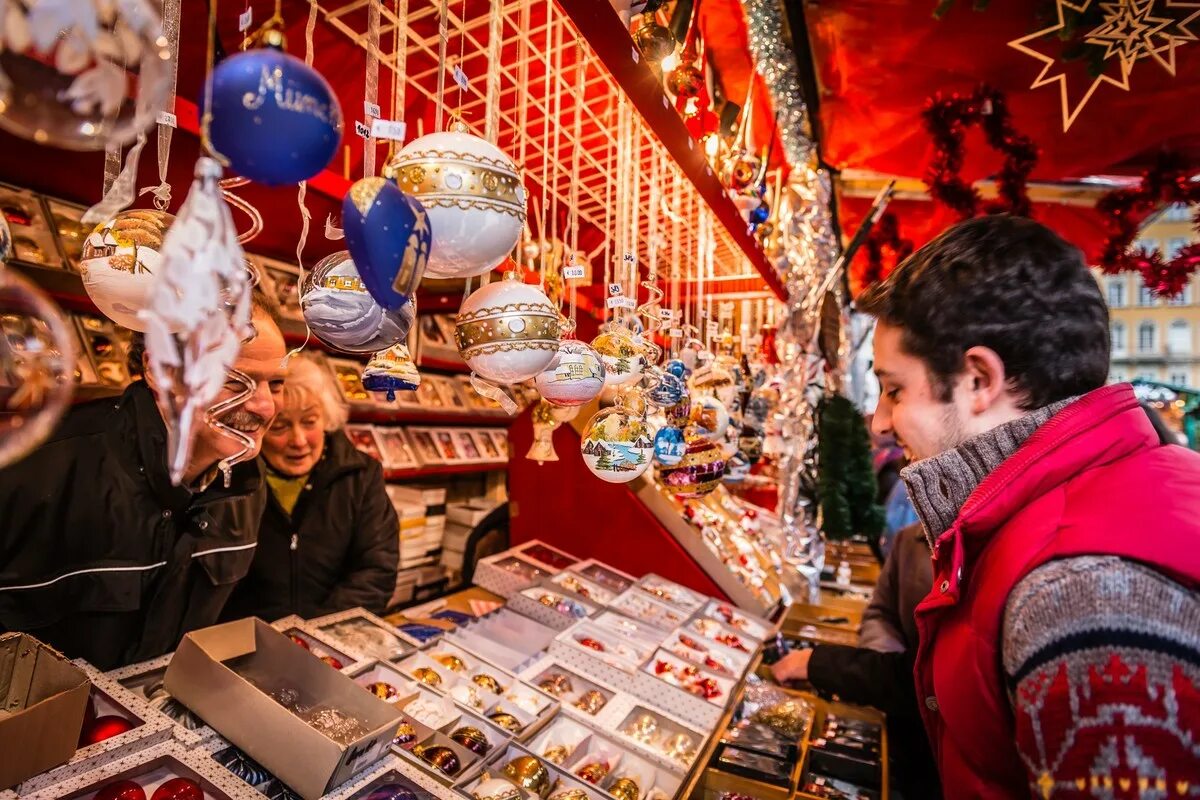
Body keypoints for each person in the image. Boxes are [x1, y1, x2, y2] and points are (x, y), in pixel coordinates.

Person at [857, 214, 1200, 797]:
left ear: (978, 379)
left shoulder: (1079, 597)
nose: (880, 422)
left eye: (894, 389)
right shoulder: (1076, 507)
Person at [0, 291, 287, 670]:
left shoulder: (245, 483)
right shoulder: (36, 467)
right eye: (235, 381)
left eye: (277, 384)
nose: (265, 406)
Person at [222, 355, 398, 621]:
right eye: (280, 426)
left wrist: (314, 634)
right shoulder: (227, 480)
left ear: (326, 419)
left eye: (309, 421)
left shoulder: (361, 476)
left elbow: (376, 571)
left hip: (333, 639)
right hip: (248, 644)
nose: (299, 440)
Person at [771, 524, 939, 798]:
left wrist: (850, 669)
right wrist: (879, 662)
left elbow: (937, 677)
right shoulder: (910, 538)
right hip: (902, 727)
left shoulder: (988, 552)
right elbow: (881, 613)